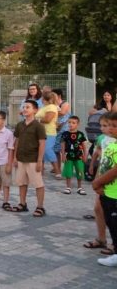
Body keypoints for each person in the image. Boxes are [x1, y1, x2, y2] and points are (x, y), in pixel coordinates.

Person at [84, 114, 115, 254]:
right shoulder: (104, 140)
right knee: (98, 208)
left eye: (111, 125)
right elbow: (103, 161)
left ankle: (114, 244)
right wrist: (97, 180)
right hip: (103, 182)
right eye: (105, 125)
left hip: (111, 184)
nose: (108, 128)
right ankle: (102, 238)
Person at [10, 100, 47, 217]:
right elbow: (17, 141)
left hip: (33, 159)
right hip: (21, 159)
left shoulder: (38, 126)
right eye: (24, 107)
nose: (25, 109)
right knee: (21, 182)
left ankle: (40, 206)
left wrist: (40, 161)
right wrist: (15, 157)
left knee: (38, 184)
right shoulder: (19, 125)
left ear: (35, 110)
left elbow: (42, 143)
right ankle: (22, 203)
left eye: (28, 107)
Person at [92, 112, 117, 266]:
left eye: (114, 126)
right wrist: (99, 182)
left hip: (114, 193)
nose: (110, 129)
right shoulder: (111, 144)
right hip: (107, 191)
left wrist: (98, 182)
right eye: (109, 126)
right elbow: (105, 165)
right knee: (112, 224)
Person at [60, 116, 88, 195]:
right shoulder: (65, 134)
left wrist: (85, 155)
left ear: (78, 124)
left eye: (73, 123)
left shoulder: (81, 134)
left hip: (79, 157)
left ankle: (80, 187)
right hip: (68, 156)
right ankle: (68, 187)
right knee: (68, 172)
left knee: (80, 171)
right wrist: (62, 155)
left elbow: (84, 146)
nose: (71, 124)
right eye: (69, 122)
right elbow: (62, 145)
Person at [36, 91, 60, 178]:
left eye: (42, 97)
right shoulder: (44, 107)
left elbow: (47, 120)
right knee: (40, 151)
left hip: (49, 132)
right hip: (40, 132)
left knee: (47, 150)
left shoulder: (52, 107)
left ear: (46, 99)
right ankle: (40, 171)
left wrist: (36, 120)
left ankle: (57, 171)